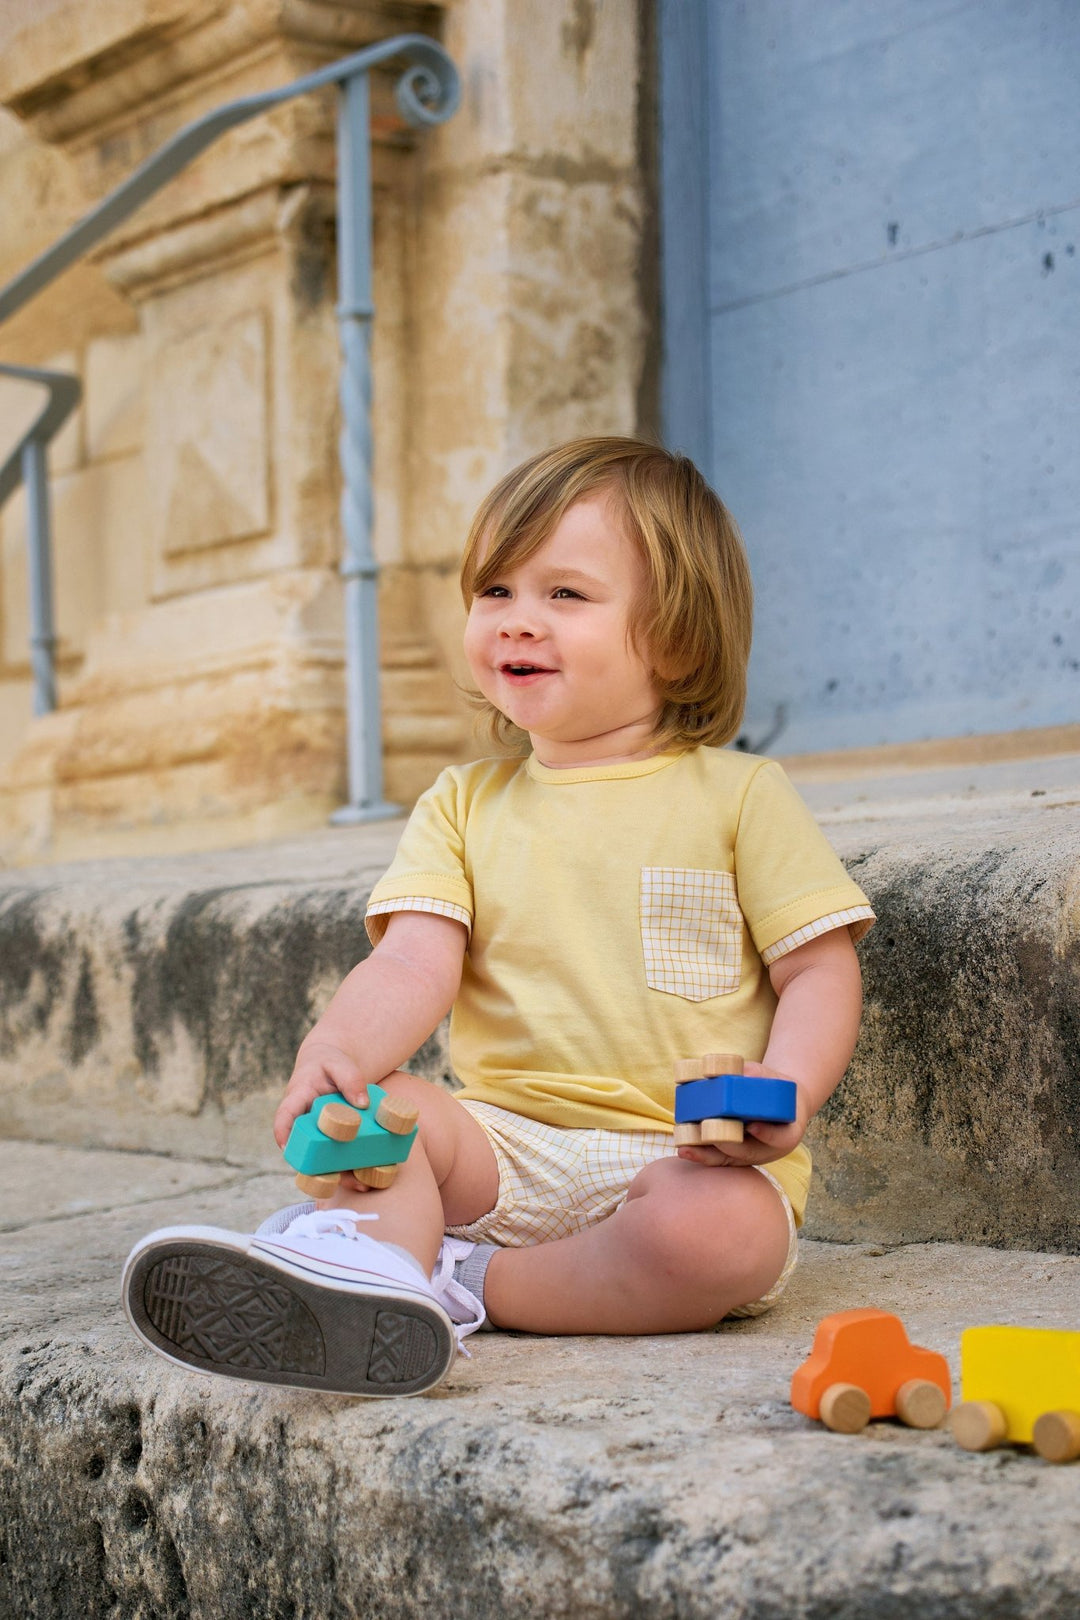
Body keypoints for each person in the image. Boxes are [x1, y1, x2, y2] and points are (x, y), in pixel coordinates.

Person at [123, 437, 874, 1398]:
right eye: (495, 592)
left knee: (722, 1236)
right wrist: (342, 1052)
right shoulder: (463, 804)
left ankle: (462, 1282)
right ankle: (365, 1270)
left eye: (565, 595)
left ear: (677, 637)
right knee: (393, 1118)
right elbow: (412, 963)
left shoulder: (740, 796)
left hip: (684, 1153)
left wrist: (788, 1088)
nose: (519, 622)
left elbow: (817, 969)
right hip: (502, 1145)